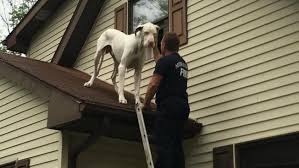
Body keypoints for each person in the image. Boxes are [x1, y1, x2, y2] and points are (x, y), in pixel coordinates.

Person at [143, 32, 190, 168]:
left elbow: (153, 85)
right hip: (182, 108)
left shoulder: (165, 62)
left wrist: (145, 103)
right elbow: (161, 62)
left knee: (164, 145)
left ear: (163, 45)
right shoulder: (181, 63)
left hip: (168, 107)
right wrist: (154, 48)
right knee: (176, 145)